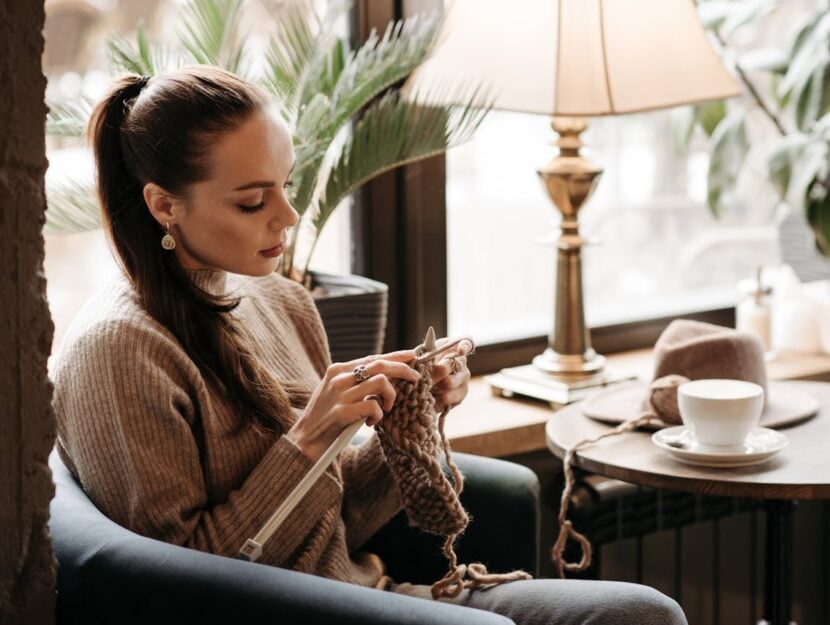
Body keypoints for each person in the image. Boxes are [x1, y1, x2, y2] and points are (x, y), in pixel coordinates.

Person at [51, 65, 687, 625]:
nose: (288, 217)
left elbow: (331, 519)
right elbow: (178, 593)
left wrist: (412, 416)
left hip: (372, 593)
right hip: (309, 613)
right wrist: (309, 440)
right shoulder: (121, 353)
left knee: (643, 613)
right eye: (253, 202)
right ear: (164, 206)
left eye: (287, 185)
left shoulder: (281, 301)